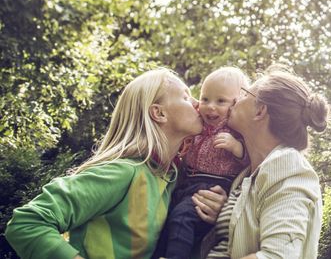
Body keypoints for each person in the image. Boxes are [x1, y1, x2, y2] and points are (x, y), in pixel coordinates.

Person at [5, 68, 209, 259]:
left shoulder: (169, 176)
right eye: (185, 97)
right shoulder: (122, 172)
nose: (198, 103)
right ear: (159, 113)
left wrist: (208, 212)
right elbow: (27, 222)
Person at [199, 65, 329, 259]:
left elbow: (277, 256)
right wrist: (226, 212)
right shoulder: (247, 174)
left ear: (260, 111)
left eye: (243, 95)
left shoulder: (288, 167)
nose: (234, 100)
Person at [158, 66, 250, 259]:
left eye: (221, 101)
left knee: (183, 219)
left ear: (237, 104)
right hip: (187, 182)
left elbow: (248, 159)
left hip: (211, 185)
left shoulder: (234, 130)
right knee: (166, 222)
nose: (210, 106)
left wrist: (236, 147)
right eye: (205, 98)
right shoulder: (198, 124)